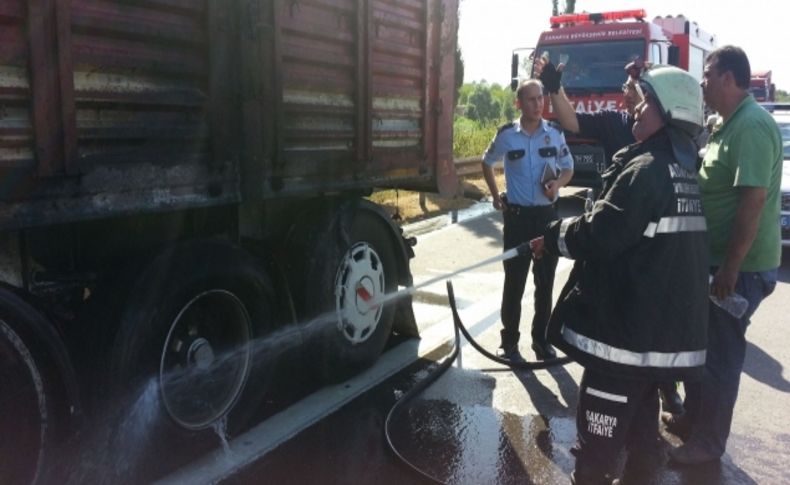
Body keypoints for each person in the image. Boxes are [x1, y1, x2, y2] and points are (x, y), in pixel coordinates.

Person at [532, 65, 709, 484]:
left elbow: (602, 234)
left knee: (598, 450)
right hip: (653, 344)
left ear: (669, 111)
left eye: (644, 100)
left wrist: (554, 237)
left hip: (624, 345)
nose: (633, 107)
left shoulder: (645, 170)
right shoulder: (682, 170)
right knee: (644, 444)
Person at [538, 58, 686, 414]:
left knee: (656, 322)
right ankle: (626, 423)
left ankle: (667, 390)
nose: (627, 90)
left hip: (655, 246)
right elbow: (570, 121)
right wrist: (555, 87)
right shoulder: (614, 122)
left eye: (635, 84)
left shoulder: (672, 135)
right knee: (624, 325)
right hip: (620, 242)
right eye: (626, 85)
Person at [663, 46, 782, 465]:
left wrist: (730, 267)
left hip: (741, 270)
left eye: (709, 73)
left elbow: (753, 201)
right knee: (703, 347)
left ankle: (708, 444)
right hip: (718, 262)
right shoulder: (728, 125)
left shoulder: (750, 126)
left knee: (721, 357)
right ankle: (695, 421)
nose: (703, 81)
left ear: (729, 78)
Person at [481, 78, 574, 362]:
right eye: (532, 99)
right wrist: (496, 197)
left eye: (541, 98)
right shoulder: (507, 135)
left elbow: (568, 167)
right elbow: (487, 162)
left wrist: (557, 184)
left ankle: (541, 341)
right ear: (518, 103)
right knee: (514, 281)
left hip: (547, 219)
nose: (538, 104)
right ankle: (509, 343)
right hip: (518, 219)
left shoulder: (555, 133)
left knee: (544, 282)